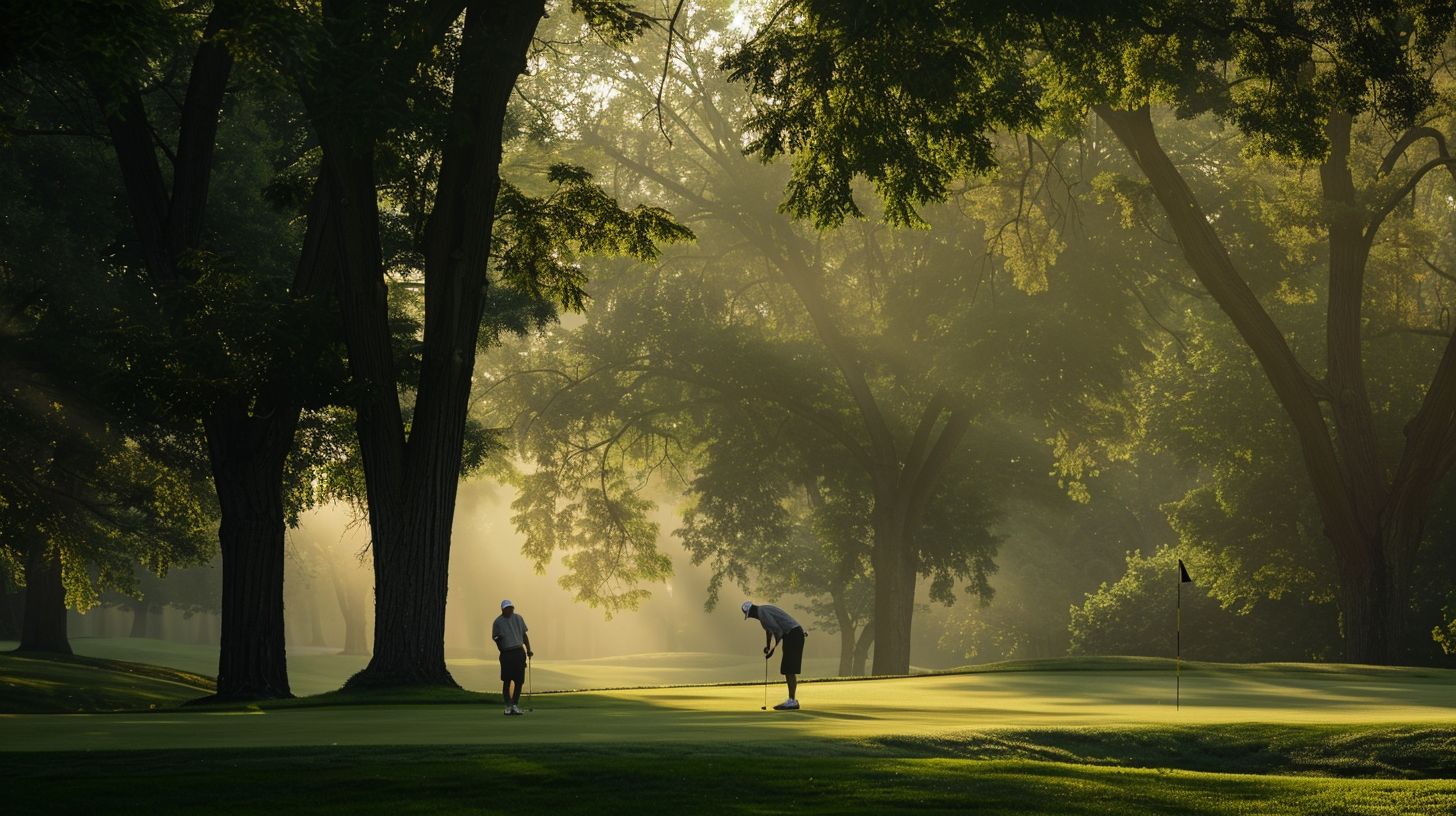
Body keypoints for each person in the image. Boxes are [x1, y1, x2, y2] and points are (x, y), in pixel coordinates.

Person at [742, 600, 806, 710]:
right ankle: (792, 700)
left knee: (789, 669)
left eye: (750, 615)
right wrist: (768, 646)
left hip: (793, 634)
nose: (752, 617)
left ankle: (792, 701)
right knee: (787, 668)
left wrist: (773, 649)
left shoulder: (762, 613)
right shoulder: (763, 611)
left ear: (752, 611)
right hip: (793, 634)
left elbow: (778, 631)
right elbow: (769, 630)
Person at [492, 599, 533, 715]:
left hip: (519, 652)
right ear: (502, 609)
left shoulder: (518, 618)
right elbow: (495, 638)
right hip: (506, 653)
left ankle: (514, 704)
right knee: (507, 680)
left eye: (511, 608)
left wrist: (529, 649)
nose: (510, 610)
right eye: (507, 608)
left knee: (519, 681)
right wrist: (502, 649)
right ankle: (508, 705)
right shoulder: (498, 622)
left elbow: (524, 635)